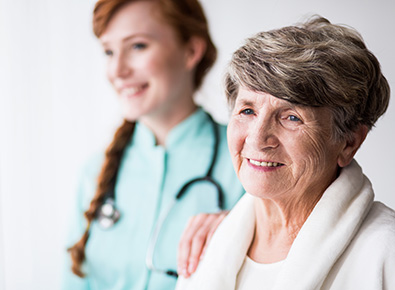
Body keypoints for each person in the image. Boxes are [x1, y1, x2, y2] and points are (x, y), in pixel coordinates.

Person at [176, 16, 395, 289]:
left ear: (349, 142)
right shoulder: (209, 245)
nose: (258, 138)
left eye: (291, 117)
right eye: (247, 110)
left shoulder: (385, 252)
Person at [62, 0, 244, 289]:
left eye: (137, 46)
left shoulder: (248, 159)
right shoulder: (94, 173)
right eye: (109, 51)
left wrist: (240, 229)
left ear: (191, 51)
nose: (117, 70)